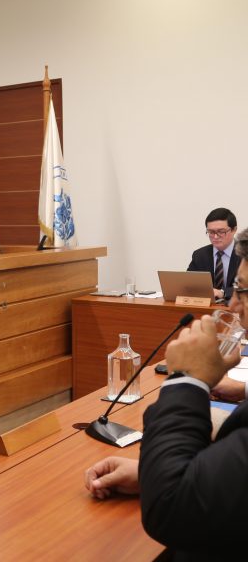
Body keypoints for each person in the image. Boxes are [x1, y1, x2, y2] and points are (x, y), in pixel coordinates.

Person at [85, 226, 248, 560]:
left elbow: (173, 510)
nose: (233, 305)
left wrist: (186, 380)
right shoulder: (200, 257)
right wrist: (153, 473)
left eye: (242, 290)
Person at [187, 207, 239, 301]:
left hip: (238, 306)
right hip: (207, 306)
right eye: (211, 232)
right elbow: (189, 283)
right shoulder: (200, 255)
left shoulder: (244, 254)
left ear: (234, 230)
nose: (215, 237)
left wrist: (223, 292)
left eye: (221, 232)